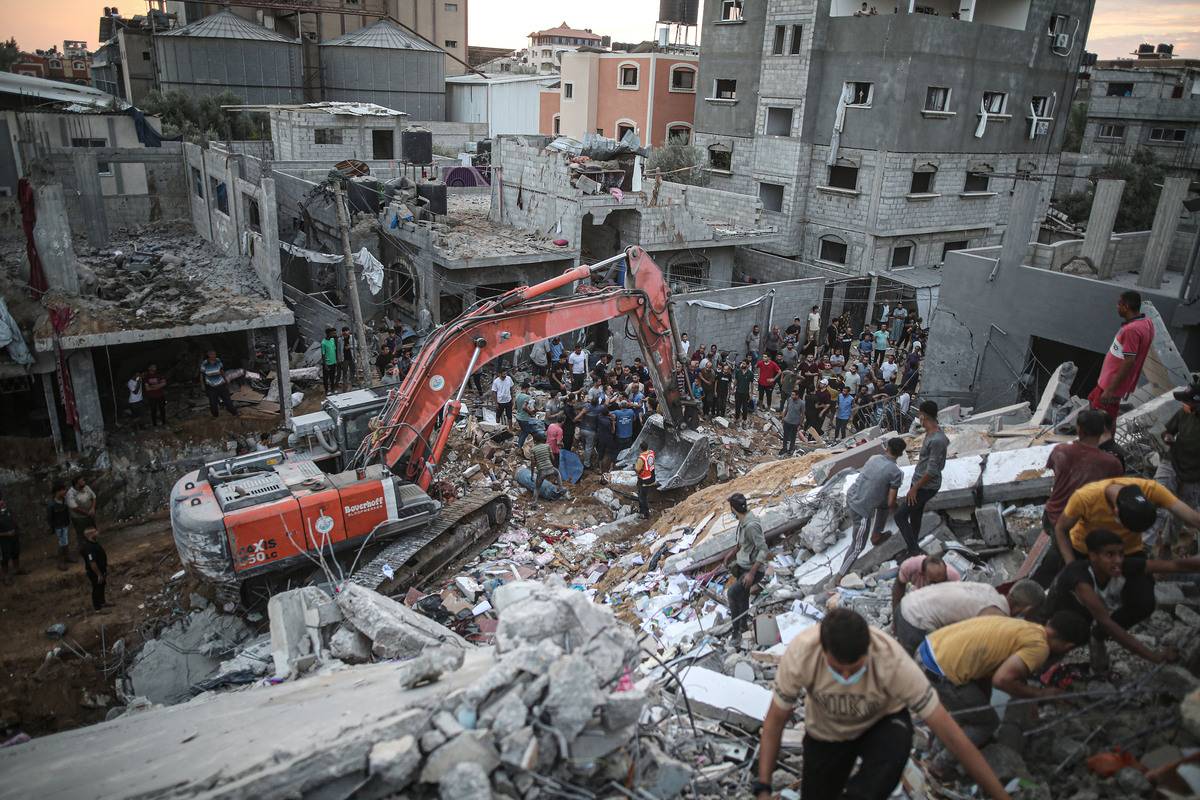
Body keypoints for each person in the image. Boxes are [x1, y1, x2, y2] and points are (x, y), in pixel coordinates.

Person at [756, 608, 1012, 800]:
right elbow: (775, 721)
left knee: (891, 752)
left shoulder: (891, 659)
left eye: (854, 669)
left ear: (868, 650)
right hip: (826, 733)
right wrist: (764, 786)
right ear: (824, 651)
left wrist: (1001, 796)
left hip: (880, 725)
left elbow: (952, 734)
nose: (846, 678)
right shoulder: (801, 654)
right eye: (838, 669)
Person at [919, 612, 1090, 759]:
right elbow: (1001, 680)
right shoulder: (1040, 647)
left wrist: (1027, 696)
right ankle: (940, 765)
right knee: (986, 723)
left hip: (929, 650)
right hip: (943, 671)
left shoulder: (1026, 627)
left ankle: (933, 752)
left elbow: (994, 670)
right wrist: (1040, 694)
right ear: (1068, 646)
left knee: (970, 712)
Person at [1047, 529, 1200, 670]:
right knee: (1059, 643)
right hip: (1061, 613)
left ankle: (1096, 638)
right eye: (1110, 555)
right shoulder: (1081, 580)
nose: (1118, 560)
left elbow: (1173, 565)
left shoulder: (1121, 566)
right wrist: (1155, 657)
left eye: (1121, 554)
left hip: (1090, 611)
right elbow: (1108, 624)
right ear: (1093, 556)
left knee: (1143, 601)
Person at [1031, 409, 1123, 586]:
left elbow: (1053, 470)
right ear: (1104, 431)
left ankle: (1042, 589)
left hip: (1053, 516)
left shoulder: (1060, 451)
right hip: (1079, 523)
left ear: (1079, 430)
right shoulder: (1112, 463)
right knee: (1060, 559)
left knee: (1059, 557)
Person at [896, 579, 1045, 655]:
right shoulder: (995, 616)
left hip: (906, 604)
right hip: (915, 623)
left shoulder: (988, 590)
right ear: (1027, 609)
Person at [839, 438, 907, 574]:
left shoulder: (874, 458)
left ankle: (876, 535)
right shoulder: (896, 473)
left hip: (851, 496)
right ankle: (839, 577)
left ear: (886, 448)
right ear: (901, 454)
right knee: (858, 546)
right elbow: (891, 502)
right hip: (861, 510)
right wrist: (899, 511)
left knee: (883, 505)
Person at [1150, 381, 1200, 555]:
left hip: (1194, 473)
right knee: (1157, 498)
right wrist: (1168, 437)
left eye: (1187, 402)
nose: (1183, 404)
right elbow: (1167, 431)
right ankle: (1144, 545)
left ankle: (1168, 545)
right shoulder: (1182, 414)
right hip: (1171, 461)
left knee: (1182, 514)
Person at [894, 401, 947, 555]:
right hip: (920, 482)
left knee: (900, 516)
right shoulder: (932, 433)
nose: (919, 418)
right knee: (915, 515)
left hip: (925, 486)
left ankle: (914, 551)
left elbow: (932, 470)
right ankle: (914, 546)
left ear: (923, 415)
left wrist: (915, 489)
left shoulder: (936, 439)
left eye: (919, 415)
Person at [1090, 290, 1154, 420]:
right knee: (1092, 399)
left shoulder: (1131, 330)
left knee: (1102, 419)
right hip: (1106, 383)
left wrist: (1110, 390)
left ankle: (1102, 439)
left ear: (1126, 307)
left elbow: (1129, 361)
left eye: (1119, 304)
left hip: (1110, 385)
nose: (1117, 307)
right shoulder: (1146, 322)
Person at [723, 493, 766, 642]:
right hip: (743, 566)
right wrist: (731, 553)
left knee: (732, 594)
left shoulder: (751, 525)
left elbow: (763, 550)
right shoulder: (743, 521)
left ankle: (736, 633)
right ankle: (743, 625)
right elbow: (743, 543)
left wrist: (752, 574)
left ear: (733, 509)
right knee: (743, 596)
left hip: (752, 569)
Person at [892, 553, 961, 624]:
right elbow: (899, 587)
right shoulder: (909, 567)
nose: (939, 585)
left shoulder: (953, 577)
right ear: (922, 575)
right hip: (920, 592)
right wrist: (896, 618)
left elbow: (956, 605)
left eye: (943, 580)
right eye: (934, 582)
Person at [200, 351, 238, 417]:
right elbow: (201, 375)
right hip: (211, 387)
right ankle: (215, 416)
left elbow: (221, 370)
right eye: (212, 354)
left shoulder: (218, 360)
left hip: (221, 385)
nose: (214, 356)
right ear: (208, 355)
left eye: (214, 354)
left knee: (228, 401)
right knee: (213, 403)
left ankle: (235, 413)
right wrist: (202, 385)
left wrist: (226, 380)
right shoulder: (205, 363)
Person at [528, 433, 561, 510]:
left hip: (542, 471)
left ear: (534, 441)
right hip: (551, 468)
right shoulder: (547, 446)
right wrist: (552, 465)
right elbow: (552, 458)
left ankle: (534, 503)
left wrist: (532, 474)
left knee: (537, 488)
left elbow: (533, 463)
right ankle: (561, 488)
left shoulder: (533, 449)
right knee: (558, 473)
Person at [80, 525, 108, 612]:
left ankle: (103, 602)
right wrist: (98, 574)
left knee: (102, 586)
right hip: (95, 572)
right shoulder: (89, 547)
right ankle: (98, 609)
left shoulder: (94, 543)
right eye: (95, 532)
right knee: (96, 588)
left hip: (101, 570)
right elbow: (92, 563)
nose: (97, 533)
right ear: (91, 534)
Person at [47, 482, 75, 571]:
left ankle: (66, 557)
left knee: (65, 542)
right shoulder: (51, 504)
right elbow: (50, 517)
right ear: (57, 492)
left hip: (64, 524)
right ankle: (60, 562)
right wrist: (52, 527)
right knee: (62, 544)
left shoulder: (63, 500)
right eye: (63, 490)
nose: (65, 491)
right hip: (59, 526)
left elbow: (66, 512)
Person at [0, 498, 25, 583]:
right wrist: (6, 534)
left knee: (15, 553)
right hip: (3, 541)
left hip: (14, 537)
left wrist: (16, 530)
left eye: (2, 500)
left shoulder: (9, 511)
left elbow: (14, 521)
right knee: (4, 558)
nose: (1, 502)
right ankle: (5, 576)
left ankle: (17, 569)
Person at [780, 388, 805, 456]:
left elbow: (803, 414)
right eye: (792, 394)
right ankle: (784, 448)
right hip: (787, 421)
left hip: (795, 423)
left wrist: (800, 424)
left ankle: (791, 449)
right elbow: (787, 409)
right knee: (785, 436)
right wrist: (783, 417)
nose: (792, 396)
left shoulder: (801, 403)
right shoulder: (790, 400)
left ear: (797, 396)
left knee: (793, 437)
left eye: (793, 395)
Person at [634, 442, 656, 519]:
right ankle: (644, 511)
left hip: (644, 479)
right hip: (651, 477)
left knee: (642, 497)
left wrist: (635, 467)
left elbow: (637, 469)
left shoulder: (641, 458)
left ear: (641, 448)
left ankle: (644, 513)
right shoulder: (651, 453)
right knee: (644, 495)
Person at [514, 381, 538, 447]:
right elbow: (524, 407)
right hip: (524, 418)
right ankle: (519, 446)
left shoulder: (517, 395)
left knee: (523, 431)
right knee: (526, 432)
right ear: (527, 388)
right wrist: (530, 412)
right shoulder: (527, 397)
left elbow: (515, 406)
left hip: (518, 417)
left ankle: (519, 443)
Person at [733, 359, 754, 423]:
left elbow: (751, 384)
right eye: (742, 363)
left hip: (745, 393)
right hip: (738, 392)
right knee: (737, 406)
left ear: (747, 365)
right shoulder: (738, 372)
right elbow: (736, 381)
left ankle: (744, 420)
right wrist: (733, 388)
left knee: (745, 407)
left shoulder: (750, 374)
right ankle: (737, 418)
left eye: (744, 364)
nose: (742, 365)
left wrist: (751, 394)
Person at [321, 328, 338, 394]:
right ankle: (326, 391)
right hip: (327, 363)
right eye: (332, 333)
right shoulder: (323, 343)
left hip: (333, 362)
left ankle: (332, 389)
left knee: (332, 377)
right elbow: (323, 354)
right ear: (328, 334)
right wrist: (325, 365)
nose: (333, 334)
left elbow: (334, 350)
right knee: (326, 378)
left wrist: (336, 360)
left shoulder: (332, 340)